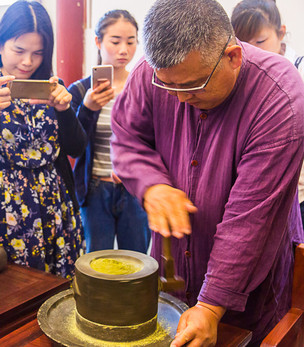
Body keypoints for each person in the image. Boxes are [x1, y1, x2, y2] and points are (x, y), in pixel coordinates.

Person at [110, 0, 304, 345]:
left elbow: (251, 219)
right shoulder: (151, 75)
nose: (181, 99)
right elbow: (126, 136)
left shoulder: (280, 97)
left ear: (233, 56)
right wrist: (153, 185)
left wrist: (212, 306)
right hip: (171, 269)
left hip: (247, 284)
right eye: (169, 86)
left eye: (194, 85)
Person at [0, 0, 86, 279]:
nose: (27, 62)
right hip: (4, 212)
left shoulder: (51, 87)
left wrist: (65, 111)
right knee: (10, 292)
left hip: (55, 210)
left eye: (38, 53)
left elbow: (77, 147)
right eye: (19, 50)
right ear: (0, 45)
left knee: (57, 290)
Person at [68, 10, 150, 254]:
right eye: (115, 41)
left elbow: (155, 141)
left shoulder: (144, 87)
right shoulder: (80, 90)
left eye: (131, 41)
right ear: (98, 42)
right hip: (95, 190)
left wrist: (134, 171)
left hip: (134, 189)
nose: (123, 49)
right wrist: (87, 108)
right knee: (97, 263)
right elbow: (73, 144)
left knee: (137, 263)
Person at [231, 0, 304, 234]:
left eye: (260, 41)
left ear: (281, 32)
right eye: (244, 43)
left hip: (299, 194)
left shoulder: (299, 71)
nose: (253, 51)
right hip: (256, 193)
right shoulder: (237, 77)